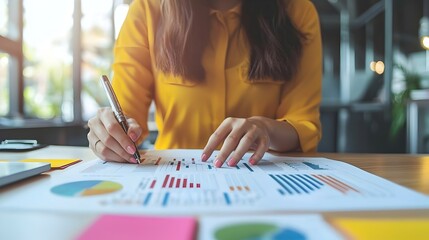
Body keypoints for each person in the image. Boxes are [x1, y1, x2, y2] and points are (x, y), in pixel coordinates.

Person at [87, 0, 322, 168]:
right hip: (171, 176)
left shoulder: (298, 12)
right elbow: (127, 120)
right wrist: (110, 135)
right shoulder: (148, 10)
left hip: (263, 175)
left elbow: (303, 126)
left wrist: (265, 128)